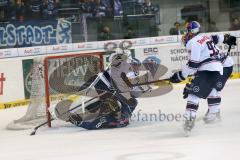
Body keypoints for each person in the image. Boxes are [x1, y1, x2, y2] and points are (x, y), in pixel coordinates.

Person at [169, 21, 236, 135]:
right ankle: (213, 116)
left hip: (215, 69)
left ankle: (190, 122)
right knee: (212, 90)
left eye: (187, 31)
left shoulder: (193, 42)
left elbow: (193, 64)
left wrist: (180, 76)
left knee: (194, 94)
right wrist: (227, 38)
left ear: (192, 31)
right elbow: (218, 37)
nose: (186, 34)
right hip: (218, 68)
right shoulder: (205, 37)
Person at [53, 50, 144, 130]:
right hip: (101, 84)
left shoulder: (129, 72)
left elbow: (134, 91)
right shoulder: (123, 67)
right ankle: (70, 109)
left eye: (137, 66)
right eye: (134, 65)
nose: (135, 68)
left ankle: (78, 114)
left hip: (101, 84)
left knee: (115, 105)